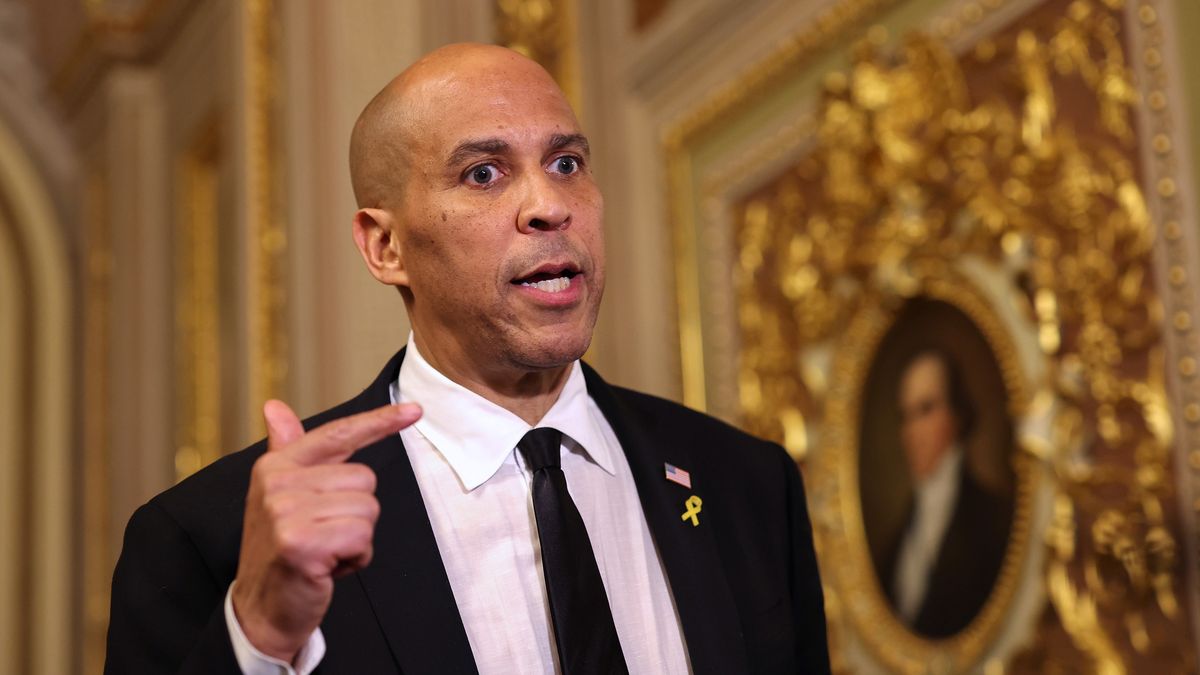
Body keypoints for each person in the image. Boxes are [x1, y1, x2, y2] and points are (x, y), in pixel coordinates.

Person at [104, 43, 829, 675]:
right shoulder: (209, 537)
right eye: (483, 173)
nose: (549, 204)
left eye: (566, 162)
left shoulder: (747, 486)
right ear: (385, 247)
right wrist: (258, 638)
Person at [881, 349, 1011, 638]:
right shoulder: (896, 540)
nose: (912, 431)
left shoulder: (994, 519)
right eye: (906, 415)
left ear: (957, 414)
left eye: (926, 409)